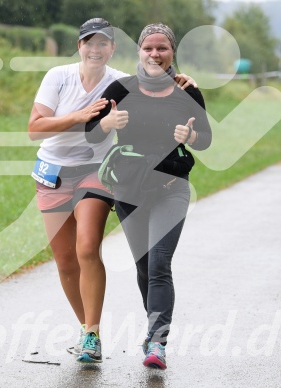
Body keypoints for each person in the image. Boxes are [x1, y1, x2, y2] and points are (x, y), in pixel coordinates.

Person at [27, 18, 196, 364]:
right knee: (64, 261)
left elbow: (155, 81)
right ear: (79, 46)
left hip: (96, 172)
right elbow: (35, 129)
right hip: (53, 173)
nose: (96, 49)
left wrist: (183, 81)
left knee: (87, 247)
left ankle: (95, 336)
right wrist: (81, 116)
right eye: (89, 42)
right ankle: (89, 330)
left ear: (113, 49)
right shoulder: (57, 77)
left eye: (103, 43)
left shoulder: (120, 81)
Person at [85, 23, 212, 370]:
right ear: (139, 51)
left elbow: (207, 139)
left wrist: (191, 135)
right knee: (144, 267)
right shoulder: (120, 89)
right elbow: (91, 135)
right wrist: (107, 125)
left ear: (172, 52)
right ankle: (152, 331)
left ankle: (157, 342)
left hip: (172, 188)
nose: (155, 54)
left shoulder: (186, 90)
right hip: (129, 191)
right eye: (148, 48)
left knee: (159, 264)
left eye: (162, 48)